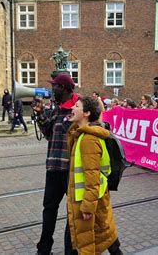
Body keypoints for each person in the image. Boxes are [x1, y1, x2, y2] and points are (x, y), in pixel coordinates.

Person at [65, 96, 122, 255]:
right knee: (105, 237)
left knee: (92, 243)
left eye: (76, 106)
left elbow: (92, 176)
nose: (72, 108)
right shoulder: (81, 134)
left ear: (87, 113)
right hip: (92, 199)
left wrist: (88, 206)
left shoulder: (88, 139)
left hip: (87, 201)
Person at [32, 73, 78, 255]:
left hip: (71, 170)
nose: (52, 90)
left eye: (55, 86)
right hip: (53, 167)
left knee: (72, 213)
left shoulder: (77, 108)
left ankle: (70, 250)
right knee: (49, 209)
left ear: (64, 88)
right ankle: (44, 249)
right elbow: (49, 133)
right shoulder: (57, 108)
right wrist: (41, 114)